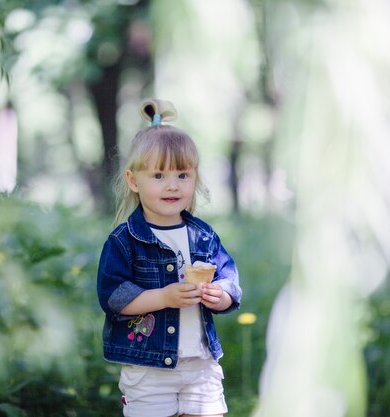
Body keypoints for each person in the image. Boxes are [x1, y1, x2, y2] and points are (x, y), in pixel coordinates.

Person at [96, 99, 243, 417]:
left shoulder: (203, 236)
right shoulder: (125, 241)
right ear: (134, 181)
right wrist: (164, 296)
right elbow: (113, 297)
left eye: (182, 175)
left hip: (200, 363)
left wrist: (221, 296)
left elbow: (229, 278)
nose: (172, 185)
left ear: (195, 178)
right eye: (159, 176)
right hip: (148, 365)